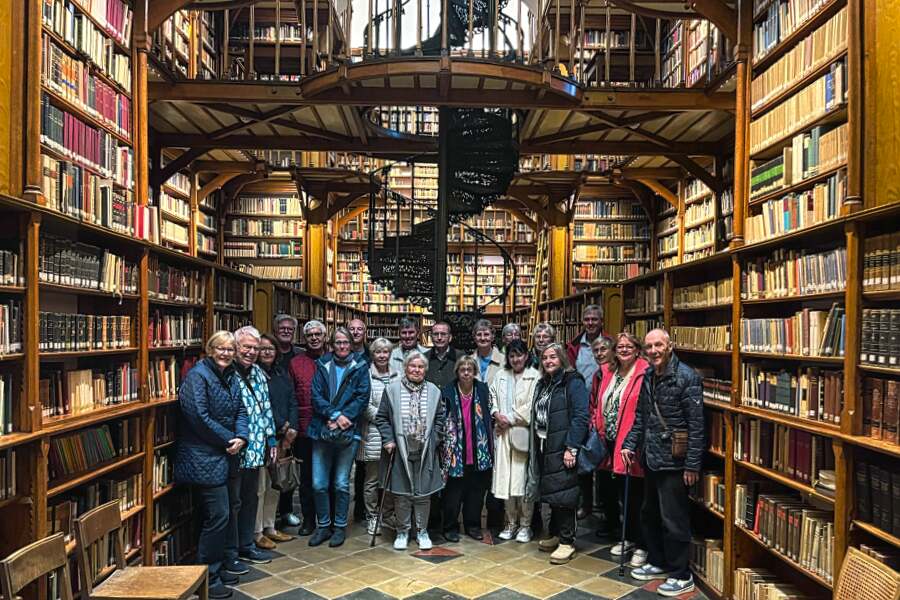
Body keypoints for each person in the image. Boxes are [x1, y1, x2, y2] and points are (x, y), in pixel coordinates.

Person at [621, 329, 704, 597]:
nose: (654, 351)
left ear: (670, 346)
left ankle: (681, 575)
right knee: (650, 514)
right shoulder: (648, 376)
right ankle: (657, 561)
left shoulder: (686, 377)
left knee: (674, 519)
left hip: (674, 462)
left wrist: (692, 465)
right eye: (649, 347)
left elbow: (697, 425)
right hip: (651, 458)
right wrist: (630, 444)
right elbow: (641, 418)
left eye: (658, 345)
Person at [174, 331, 247, 599]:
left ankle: (220, 566)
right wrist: (230, 438)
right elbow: (198, 417)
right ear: (209, 349)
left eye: (230, 349)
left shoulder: (230, 375)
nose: (226, 353)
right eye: (221, 348)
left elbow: (241, 410)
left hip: (227, 454)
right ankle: (207, 576)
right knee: (217, 516)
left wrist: (242, 436)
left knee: (226, 513)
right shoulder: (197, 376)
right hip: (204, 457)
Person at [525, 343, 589, 565]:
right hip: (545, 444)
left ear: (562, 358)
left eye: (553, 357)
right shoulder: (544, 383)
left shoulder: (573, 382)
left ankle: (567, 541)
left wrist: (572, 447)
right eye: (544, 358)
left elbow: (581, 416)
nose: (549, 361)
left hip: (563, 447)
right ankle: (554, 534)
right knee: (552, 492)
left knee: (566, 495)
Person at [375, 351, 446, 551]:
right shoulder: (392, 390)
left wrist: (435, 439)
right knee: (402, 494)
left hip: (425, 451)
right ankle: (403, 531)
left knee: (423, 494)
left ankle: (422, 532)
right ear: (405, 368)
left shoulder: (433, 391)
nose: (416, 370)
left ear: (425, 369)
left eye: (420, 367)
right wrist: (388, 439)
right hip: (399, 450)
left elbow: (440, 418)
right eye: (412, 366)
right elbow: (381, 418)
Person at [307, 327, 371, 548]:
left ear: (351, 344)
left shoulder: (360, 367)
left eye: (346, 342)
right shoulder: (322, 365)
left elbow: (363, 396)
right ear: (332, 344)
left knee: (342, 483)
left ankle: (339, 527)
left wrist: (345, 418)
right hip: (322, 430)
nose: (342, 346)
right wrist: (333, 415)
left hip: (348, 432)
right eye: (338, 342)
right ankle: (323, 525)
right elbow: (315, 395)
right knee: (318, 483)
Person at [593, 332, 649, 568]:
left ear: (637, 349)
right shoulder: (609, 372)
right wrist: (597, 424)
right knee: (618, 494)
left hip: (633, 443)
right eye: (620, 347)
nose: (624, 350)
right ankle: (625, 537)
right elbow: (599, 400)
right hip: (610, 441)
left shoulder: (645, 372)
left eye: (629, 346)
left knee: (636, 496)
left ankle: (641, 544)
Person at [225, 326, 276, 570]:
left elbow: (266, 407)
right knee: (233, 502)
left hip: (256, 450)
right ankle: (231, 551)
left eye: (255, 348)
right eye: (246, 347)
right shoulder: (226, 373)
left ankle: (247, 544)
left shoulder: (257, 372)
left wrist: (272, 439)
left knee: (250, 499)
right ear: (235, 347)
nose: (251, 352)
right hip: (235, 451)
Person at [488, 340, 539, 543]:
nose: (515, 359)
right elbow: (491, 397)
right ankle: (510, 523)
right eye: (512, 355)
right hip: (502, 435)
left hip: (521, 434)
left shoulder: (535, 376)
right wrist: (495, 413)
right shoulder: (501, 375)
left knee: (522, 481)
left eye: (519, 355)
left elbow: (531, 405)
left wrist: (507, 418)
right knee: (505, 480)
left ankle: (525, 525)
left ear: (526, 356)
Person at [441, 355, 494, 542]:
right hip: (455, 451)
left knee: (476, 493)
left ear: (474, 372)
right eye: (462, 369)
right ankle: (450, 527)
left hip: (478, 450)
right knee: (453, 494)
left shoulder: (482, 390)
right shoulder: (448, 391)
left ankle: (473, 526)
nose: (465, 372)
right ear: (457, 372)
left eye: (469, 369)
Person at [254, 334, 298, 550]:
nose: (267, 352)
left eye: (270, 348)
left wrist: (292, 427)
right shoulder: (254, 375)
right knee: (260, 486)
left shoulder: (281, 373)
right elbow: (261, 406)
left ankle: (270, 526)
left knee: (275, 484)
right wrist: (281, 424)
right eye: (262, 349)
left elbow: (292, 399)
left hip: (283, 437)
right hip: (264, 438)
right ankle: (257, 530)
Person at [284, 319, 328, 534]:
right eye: (310, 335)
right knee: (307, 478)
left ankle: (327, 521)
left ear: (324, 336)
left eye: (318, 334)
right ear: (305, 338)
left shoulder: (333, 359)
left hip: (330, 428)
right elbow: (291, 396)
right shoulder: (295, 363)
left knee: (329, 477)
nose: (314, 338)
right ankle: (309, 520)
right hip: (304, 427)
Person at [357, 337, 399, 535]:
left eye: (385, 352)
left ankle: (388, 514)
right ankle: (372, 516)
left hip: (393, 433)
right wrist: (384, 418)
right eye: (378, 352)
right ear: (372, 354)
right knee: (372, 479)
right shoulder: (365, 375)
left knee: (391, 476)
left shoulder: (398, 375)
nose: (382, 355)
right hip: (373, 434)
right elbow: (364, 404)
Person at [578, 335, 615, 521]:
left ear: (612, 351)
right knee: (603, 476)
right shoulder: (597, 375)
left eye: (603, 350)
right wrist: (593, 419)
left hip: (613, 432)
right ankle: (607, 519)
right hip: (598, 431)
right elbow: (594, 401)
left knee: (612, 479)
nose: (599, 354)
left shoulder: (617, 373)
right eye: (596, 351)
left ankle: (613, 520)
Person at [566, 304, 606, 386]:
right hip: (579, 396)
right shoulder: (574, 346)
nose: (590, 323)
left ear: (601, 322)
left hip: (602, 397)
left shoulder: (610, 345)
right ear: (583, 322)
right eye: (586, 320)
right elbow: (569, 375)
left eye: (594, 319)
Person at [425, 321, 459, 390]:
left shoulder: (460, 357)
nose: (439, 337)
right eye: (436, 334)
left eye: (443, 334)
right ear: (431, 337)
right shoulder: (424, 358)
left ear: (450, 337)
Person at [470, 319, 505, 383]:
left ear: (492, 336)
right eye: (479, 334)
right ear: (474, 338)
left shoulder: (504, 361)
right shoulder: (468, 361)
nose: (482, 338)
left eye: (486, 334)